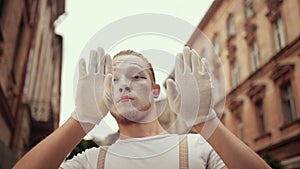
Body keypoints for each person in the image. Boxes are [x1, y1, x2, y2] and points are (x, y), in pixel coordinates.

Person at [13, 47, 271, 169]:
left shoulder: (199, 147)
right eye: (113, 80)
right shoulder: (91, 161)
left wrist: (207, 124)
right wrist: (79, 121)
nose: (124, 85)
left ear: (155, 90)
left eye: (136, 77)